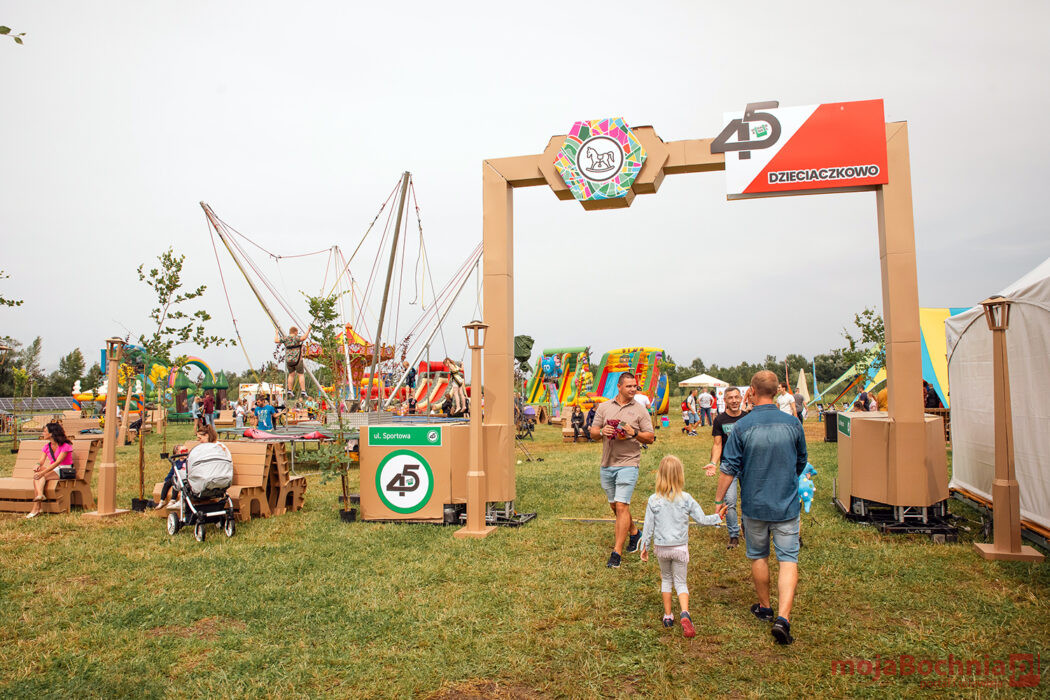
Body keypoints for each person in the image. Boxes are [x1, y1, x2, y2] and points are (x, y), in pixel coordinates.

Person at [715, 370, 808, 645]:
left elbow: (729, 467)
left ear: (751, 392)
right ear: (777, 391)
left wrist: (719, 501)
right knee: (788, 559)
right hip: (786, 504)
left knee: (758, 555)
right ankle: (783, 618)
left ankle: (765, 607)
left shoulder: (742, 426)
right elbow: (801, 461)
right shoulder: (793, 423)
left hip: (754, 505)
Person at [639, 455, 722, 637]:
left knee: (666, 579)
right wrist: (718, 517)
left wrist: (644, 547)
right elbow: (701, 520)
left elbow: (648, 526)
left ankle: (668, 616)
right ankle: (685, 613)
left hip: (662, 548)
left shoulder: (653, 500)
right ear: (680, 475)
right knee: (681, 582)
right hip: (680, 549)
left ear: (660, 475)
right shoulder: (686, 499)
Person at [589, 372, 655, 569]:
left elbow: (650, 437)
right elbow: (592, 432)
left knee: (621, 506)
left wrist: (634, 433)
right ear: (619, 387)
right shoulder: (604, 407)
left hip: (629, 462)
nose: (633, 389)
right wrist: (602, 431)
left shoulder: (640, 410)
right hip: (607, 463)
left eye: (635, 386)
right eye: (629, 386)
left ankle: (616, 553)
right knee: (614, 506)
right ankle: (634, 533)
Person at [705, 386, 746, 549]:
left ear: (741, 398)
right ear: (725, 400)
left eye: (736, 397)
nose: (734, 401)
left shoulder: (747, 417)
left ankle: (746, 526)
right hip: (729, 467)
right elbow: (717, 444)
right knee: (729, 501)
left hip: (747, 466)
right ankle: (733, 535)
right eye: (730, 398)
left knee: (749, 500)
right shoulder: (720, 420)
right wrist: (713, 463)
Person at [155, 425, 219, 509]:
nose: (199, 441)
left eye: (199, 438)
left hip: (207, 477)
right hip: (216, 476)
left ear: (206, 435)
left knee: (185, 479)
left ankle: (182, 500)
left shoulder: (211, 448)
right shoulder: (216, 447)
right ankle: (172, 500)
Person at [26, 422, 74, 518]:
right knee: (37, 472)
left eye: (45, 431)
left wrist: (43, 473)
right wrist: (37, 465)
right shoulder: (46, 447)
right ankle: (40, 496)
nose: (43, 433)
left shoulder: (65, 445)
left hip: (64, 470)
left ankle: (36, 508)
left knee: (38, 476)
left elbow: (58, 462)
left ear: (51, 433)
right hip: (54, 469)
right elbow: (41, 460)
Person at [276, 325, 312, 399]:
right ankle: (303, 390)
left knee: (291, 375)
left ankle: (290, 390)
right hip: (297, 359)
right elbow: (303, 338)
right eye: (297, 332)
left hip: (289, 360)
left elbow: (276, 340)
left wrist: (276, 333)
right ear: (295, 332)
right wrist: (308, 330)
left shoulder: (285, 338)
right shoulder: (296, 338)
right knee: (300, 374)